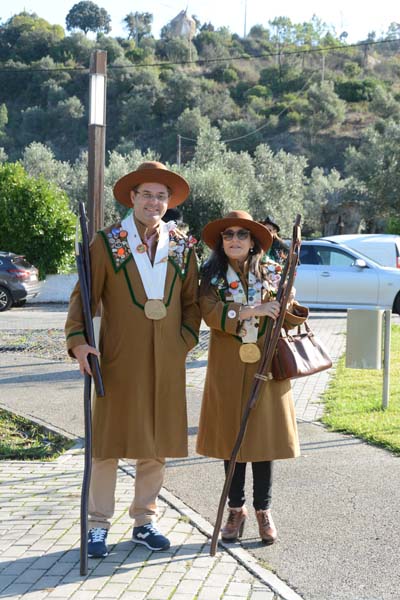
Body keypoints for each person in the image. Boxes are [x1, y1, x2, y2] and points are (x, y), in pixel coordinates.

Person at [65, 161, 201, 557]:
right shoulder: (108, 242)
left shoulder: (181, 245)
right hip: (117, 360)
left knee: (155, 444)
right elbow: (83, 297)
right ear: (132, 197)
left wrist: (183, 341)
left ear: (168, 202)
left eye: (161, 196)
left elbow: (192, 302)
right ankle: (97, 525)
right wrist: (79, 343)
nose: (154, 202)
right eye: (147, 195)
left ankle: (144, 520)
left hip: (167, 361)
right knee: (107, 445)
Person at [196, 210, 308, 544]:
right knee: (230, 441)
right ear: (221, 242)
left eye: (242, 234)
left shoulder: (273, 272)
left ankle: (263, 510)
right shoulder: (211, 277)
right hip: (228, 368)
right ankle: (236, 509)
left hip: (267, 367)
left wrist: (289, 302)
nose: (234, 239)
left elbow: (289, 320)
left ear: (253, 241)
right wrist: (251, 310)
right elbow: (210, 313)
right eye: (228, 234)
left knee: (263, 441)